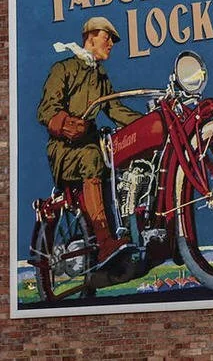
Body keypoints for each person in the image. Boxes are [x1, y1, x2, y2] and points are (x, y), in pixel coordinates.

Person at [37, 16, 142, 264]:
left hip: (91, 145)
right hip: (64, 150)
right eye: (107, 38)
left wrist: (150, 122)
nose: (111, 44)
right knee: (93, 158)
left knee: (123, 162)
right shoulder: (63, 69)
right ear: (90, 37)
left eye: (112, 40)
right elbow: (45, 111)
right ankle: (105, 244)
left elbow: (115, 110)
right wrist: (66, 124)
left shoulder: (101, 76)